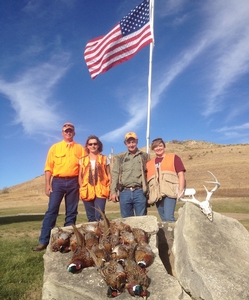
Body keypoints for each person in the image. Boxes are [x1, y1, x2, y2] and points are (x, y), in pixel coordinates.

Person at [32, 122, 85, 251]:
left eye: (70, 130)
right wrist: (47, 184)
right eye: (66, 131)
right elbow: (48, 167)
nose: (68, 132)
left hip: (73, 182)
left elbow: (83, 168)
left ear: (74, 133)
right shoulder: (54, 148)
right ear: (62, 133)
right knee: (52, 211)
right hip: (58, 182)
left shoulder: (80, 148)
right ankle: (44, 241)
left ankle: (66, 242)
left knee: (71, 212)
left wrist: (81, 183)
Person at [146, 138, 186, 222]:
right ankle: (171, 234)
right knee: (164, 218)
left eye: (160, 146)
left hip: (170, 192)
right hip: (157, 195)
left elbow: (181, 174)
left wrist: (181, 190)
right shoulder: (149, 163)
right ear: (153, 149)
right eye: (156, 147)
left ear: (164, 146)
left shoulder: (174, 158)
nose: (158, 148)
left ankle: (177, 233)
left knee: (168, 217)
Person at [110, 132, 149, 218]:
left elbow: (149, 173)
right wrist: (113, 192)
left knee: (142, 220)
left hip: (139, 192)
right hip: (124, 192)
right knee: (126, 222)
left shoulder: (144, 156)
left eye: (133, 142)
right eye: (129, 142)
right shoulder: (121, 158)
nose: (131, 144)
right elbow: (115, 174)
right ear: (125, 144)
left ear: (137, 142)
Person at [79, 135, 111, 222]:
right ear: (87, 146)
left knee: (99, 216)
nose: (93, 146)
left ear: (99, 145)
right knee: (91, 217)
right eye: (90, 144)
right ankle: (93, 235)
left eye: (95, 144)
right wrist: (81, 188)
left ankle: (103, 234)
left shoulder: (105, 158)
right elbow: (80, 176)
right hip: (87, 191)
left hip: (101, 190)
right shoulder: (82, 160)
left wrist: (110, 188)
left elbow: (109, 174)